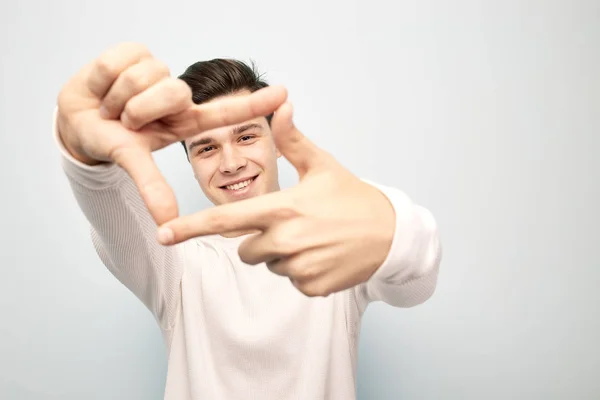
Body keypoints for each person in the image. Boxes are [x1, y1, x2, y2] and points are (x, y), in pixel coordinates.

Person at [54, 42, 442, 400]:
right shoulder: (175, 264)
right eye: (206, 147)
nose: (231, 163)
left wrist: (393, 225)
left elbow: (414, 288)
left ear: (276, 143)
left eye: (246, 137)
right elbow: (111, 209)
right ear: (190, 166)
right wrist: (85, 155)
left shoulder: (332, 240)